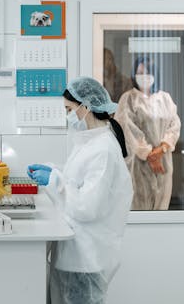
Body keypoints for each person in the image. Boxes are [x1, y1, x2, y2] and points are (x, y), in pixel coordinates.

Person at [27, 76, 133, 304]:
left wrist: (54, 181)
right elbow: (78, 182)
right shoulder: (90, 141)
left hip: (87, 257)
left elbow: (88, 206)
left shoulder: (103, 149)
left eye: (69, 109)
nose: (67, 116)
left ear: (86, 107)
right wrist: (55, 171)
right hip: (77, 252)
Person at [115, 57, 181, 210]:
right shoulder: (129, 99)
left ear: (155, 74)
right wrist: (149, 155)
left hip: (163, 161)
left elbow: (174, 125)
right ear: (134, 74)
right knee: (139, 207)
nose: (144, 76)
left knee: (161, 204)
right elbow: (128, 129)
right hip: (138, 164)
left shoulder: (165, 98)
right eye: (140, 73)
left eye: (147, 72)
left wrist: (161, 150)